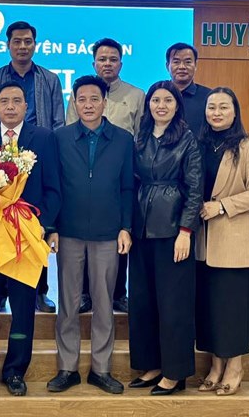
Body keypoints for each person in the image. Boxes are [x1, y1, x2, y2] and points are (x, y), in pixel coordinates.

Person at [0, 81, 61, 397]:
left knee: (23, 308)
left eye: (16, 101)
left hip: (25, 238)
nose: (10, 106)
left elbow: (53, 189)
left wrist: (40, 226)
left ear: (26, 106)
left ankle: (16, 370)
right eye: (3, 101)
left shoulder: (44, 139)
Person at [48, 75, 134, 395]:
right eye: (81, 99)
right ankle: (67, 368)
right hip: (69, 232)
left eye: (94, 99)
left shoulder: (123, 139)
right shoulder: (60, 138)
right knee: (68, 304)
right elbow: (53, 187)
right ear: (74, 102)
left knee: (102, 302)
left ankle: (101, 369)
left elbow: (128, 187)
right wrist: (51, 227)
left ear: (105, 102)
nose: (88, 105)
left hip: (108, 234)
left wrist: (126, 226)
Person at [0, 20, 62, 312]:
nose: (22, 46)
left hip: (37, 158)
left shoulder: (49, 79)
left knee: (32, 233)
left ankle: (39, 291)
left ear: (34, 44)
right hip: (0, 162)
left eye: (28, 41)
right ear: (8, 44)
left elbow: (58, 122)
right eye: (17, 41)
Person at [128, 81, 203, 396]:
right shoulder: (140, 137)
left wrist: (186, 230)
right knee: (143, 302)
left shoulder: (187, 140)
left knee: (174, 305)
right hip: (141, 229)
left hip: (173, 231)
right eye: (155, 100)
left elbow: (195, 189)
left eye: (167, 100)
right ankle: (152, 365)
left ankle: (175, 372)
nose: (161, 105)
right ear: (148, 105)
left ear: (177, 106)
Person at [195, 87, 249, 397]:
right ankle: (215, 365)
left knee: (233, 308)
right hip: (201, 240)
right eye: (212, 107)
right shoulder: (197, 146)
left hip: (233, 237)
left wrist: (222, 206)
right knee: (209, 307)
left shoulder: (248, 146)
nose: (217, 112)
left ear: (235, 111)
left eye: (224, 107)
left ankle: (234, 366)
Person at [65, 38, 144, 314]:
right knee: (84, 241)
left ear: (121, 63)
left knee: (117, 238)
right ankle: (86, 293)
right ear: (94, 62)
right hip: (84, 171)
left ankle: (117, 293)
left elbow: (141, 135)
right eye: (102, 59)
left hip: (120, 172)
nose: (107, 63)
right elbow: (70, 129)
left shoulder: (136, 95)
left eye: (113, 59)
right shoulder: (79, 93)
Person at [165, 43, 211, 135]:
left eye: (188, 62)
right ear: (167, 66)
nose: (182, 67)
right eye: (176, 62)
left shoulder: (209, 97)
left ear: (195, 65)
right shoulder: (157, 97)